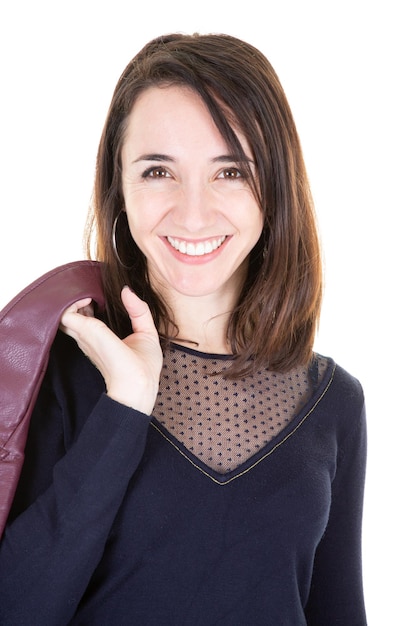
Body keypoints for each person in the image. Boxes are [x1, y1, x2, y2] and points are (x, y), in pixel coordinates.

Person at [0, 33, 367, 624]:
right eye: (157, 171)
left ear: (273, 189)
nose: (193, 213)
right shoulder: (61, 369)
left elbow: (338, 609)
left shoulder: (333, 401)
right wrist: (124, 407)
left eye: (230, 172)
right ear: (118, 188)